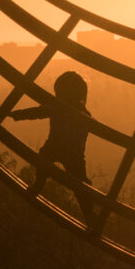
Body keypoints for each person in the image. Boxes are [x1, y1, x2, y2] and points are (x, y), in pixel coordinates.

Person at [10, 70, 105, 232]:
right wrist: (18, 115)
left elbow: (38, 112)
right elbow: (40, 112)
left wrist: (17, 115)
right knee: (80, 185)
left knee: (43, 161)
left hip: (54, 147)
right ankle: (90, 217)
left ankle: (38, 185)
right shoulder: (84, 113)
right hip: (75, 154)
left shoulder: (58, 107)